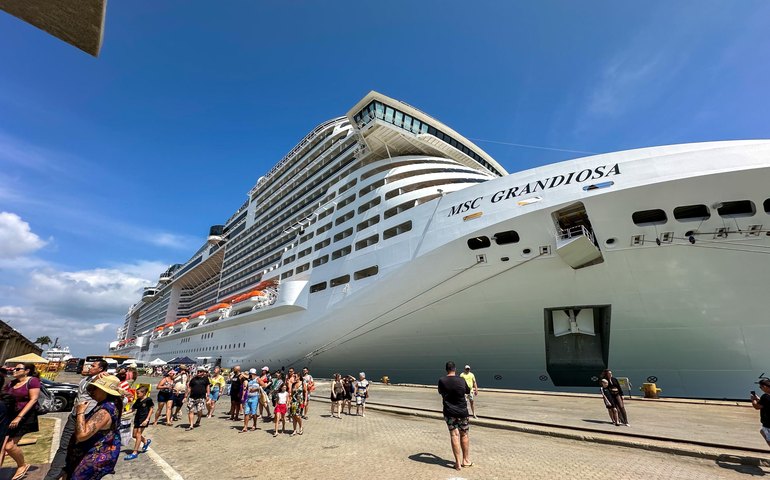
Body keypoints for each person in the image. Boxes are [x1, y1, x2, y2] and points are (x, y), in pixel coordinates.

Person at [45, 359, 108, 480]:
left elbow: (112, 385)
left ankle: (70, 471)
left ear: (100, 369)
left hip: (88, 416)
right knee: (64, 445)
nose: (89, 367)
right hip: (74, 415)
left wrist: (106, 375)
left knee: (81, 447)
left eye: (93, 366)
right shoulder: (85, 379)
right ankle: (53, 474)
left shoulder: (101, 380)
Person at [64, 375, 123, 480]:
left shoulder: (105, 411)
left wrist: (80, 412)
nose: (92, 391)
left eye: (95, 388)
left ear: (104, 391)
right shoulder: (114, 401)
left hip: (92, 458)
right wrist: (96, 380)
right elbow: (88, 390)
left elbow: (82, 435)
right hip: (91, 454)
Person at [3, 363, 40, 480]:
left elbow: (33, 399)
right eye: (14, 368)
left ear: (27, 371)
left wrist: (19, 417)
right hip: (9, 416)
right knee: (3, 446)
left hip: (24, 417)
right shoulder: (11, 383)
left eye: (18, 369)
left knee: (9, 446)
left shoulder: (32, 381)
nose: (14, 370)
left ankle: (22, 465)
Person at [438, 361, 472, 471]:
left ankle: (457, 463)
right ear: (455, 369)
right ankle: (466, 460)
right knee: (464, 434)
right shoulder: (461, 379)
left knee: (454, 435)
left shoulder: (442, 381)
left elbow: (440, 392)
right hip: (462, 412)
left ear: (446, 369)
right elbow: (467, 390)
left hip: (449, 412)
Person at [125, 386, 153, 460]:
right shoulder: (138, 400)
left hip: (143, 419)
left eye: (138, 393)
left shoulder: (148, 400)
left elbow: (151, 410)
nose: (137, 394)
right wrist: (124, 413)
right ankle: (146, 441)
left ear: (144, 393)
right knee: (134, 435)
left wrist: (147, 419)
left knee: (138, 434)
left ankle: (135, 452)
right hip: (137, 418)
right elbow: (133, 409)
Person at [185, 367, 210, 431]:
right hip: (192, 397)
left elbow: (208, 386)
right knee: (191, 410)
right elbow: (189, 388)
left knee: (199, 410)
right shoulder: (193, 379)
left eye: (200, 371)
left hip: (201, 397)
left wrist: (208, 395)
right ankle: (191, 425)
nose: (199, 372)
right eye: (198, 371)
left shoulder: (205, 379)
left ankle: (198, 419)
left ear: (203, 372)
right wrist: (186, 396)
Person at [751, 378, 770, 448]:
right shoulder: (765, 398)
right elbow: (766, 403)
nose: (760, 389)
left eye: (760, 387)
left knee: (766, 436)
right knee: (762, 431)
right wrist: (759, 399)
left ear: (764, 386)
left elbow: (757, 406)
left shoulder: (765, 396)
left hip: (768, 424)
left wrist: (753, 400)